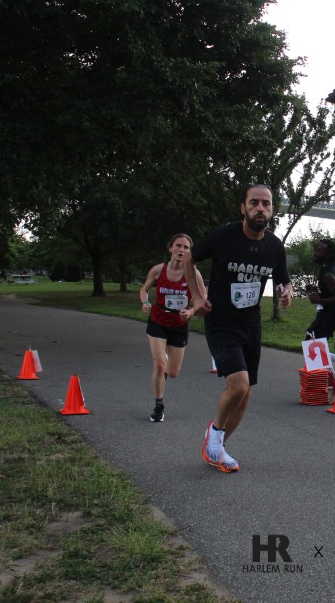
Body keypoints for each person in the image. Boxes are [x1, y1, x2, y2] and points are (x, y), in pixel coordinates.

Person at [182, 184, 292, 473]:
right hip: (221, 320)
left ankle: (217, 447)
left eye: (266, 204)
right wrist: (197, 297)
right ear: (243, 207)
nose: (260, 208)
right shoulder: (223, 236)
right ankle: (215, 432)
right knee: (239, 385)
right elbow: (190, 259)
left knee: (246, 393)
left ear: (272, 210)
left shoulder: (274, 246)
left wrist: (286, 292)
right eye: (254, 203)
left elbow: (284, 279)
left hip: (251, 324)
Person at [139, 233, 206, 423]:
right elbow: (144, 289)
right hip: (158, 320)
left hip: (179, 325)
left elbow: (203, 298)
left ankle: (163, 369)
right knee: (159, 364)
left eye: (186, 247)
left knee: (173, 372)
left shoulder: (194, 273)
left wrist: (191, 311)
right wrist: (145, 302)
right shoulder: (158, 270)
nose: (181, 250)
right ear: (170, 248)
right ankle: (158, 406)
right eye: (178, 245)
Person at [305, 239, 335, 402]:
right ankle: (330, 379)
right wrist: (317, 290)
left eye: (319, 250)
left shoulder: (328, 273)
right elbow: (329, 292)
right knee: (314, 345)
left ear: (328, 254)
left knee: (311, 345)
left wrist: (319, 300)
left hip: (331, 315)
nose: (315, 252)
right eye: (316, 249)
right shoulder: (325, 270)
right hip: (327, 314)